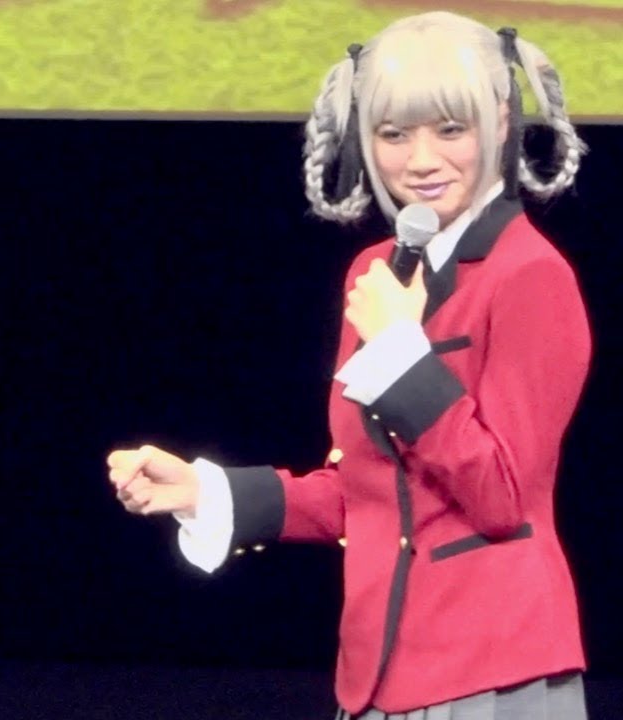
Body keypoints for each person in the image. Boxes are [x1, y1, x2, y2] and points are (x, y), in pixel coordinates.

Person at [107, 11, 590, 719]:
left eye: (448, 129)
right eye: (393, 134)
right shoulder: (375, 274)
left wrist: (401, 357)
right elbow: (368, 491)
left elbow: (499, 498)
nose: (419, 160)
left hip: (494, 666)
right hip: (379, 668)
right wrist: (207, 493)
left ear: (501, 120)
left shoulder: (528, 276)